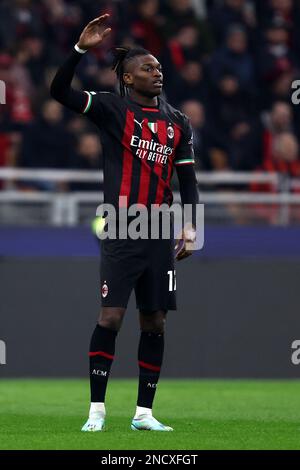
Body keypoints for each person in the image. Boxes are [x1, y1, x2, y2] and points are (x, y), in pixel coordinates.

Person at [50, 13, 199, 432]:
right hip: (120, 226)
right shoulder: (112, 108)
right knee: (111, 316)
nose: (158, 73)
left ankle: (144, 414)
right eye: (147, 68)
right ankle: (96, 410)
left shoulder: (178, 122)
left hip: (158, 230)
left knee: (155, 321)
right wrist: (80, 50)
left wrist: (190, 227)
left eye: (159, 68)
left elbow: (188, 179)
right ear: (128, 79)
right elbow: (59, 90)